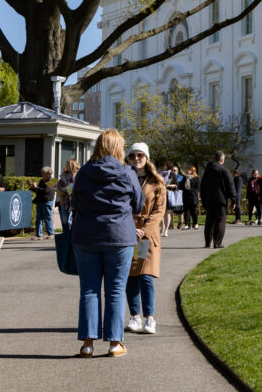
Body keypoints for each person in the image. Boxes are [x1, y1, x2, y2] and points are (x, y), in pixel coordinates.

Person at [71, 128, 144, 357]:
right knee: (115, 290)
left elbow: (74, 201)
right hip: (119, 236)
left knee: (89, 290)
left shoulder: (83, 172)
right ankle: (114, 343)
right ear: (117, 148)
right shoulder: (127, 172)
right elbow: (139, 204)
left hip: (87, 235)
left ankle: (88, 344)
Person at [124, 143, 166, 336]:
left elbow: (159, 211)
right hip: (127, 231)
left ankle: (150, 317)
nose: (136, 159)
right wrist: (131, 228)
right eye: (132, 156)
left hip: (147, 235)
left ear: (147, 158)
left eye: (140, 155)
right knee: (131, 275)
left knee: (146, 275)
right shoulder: (123, 178)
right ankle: (135, 315)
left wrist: (143, 229)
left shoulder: (157, 182)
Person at [199, 151, 233, 249]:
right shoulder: (224, 170)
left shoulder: (207, 170)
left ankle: (207, 242)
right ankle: (217, 242)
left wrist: (204, 199)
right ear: (222, 160)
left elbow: (203, 186)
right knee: (220, 221)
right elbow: (230, 185)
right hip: (221, 199)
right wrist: (233, 199)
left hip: (209, 200)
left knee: (209, 221)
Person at [30, 166, 57, 238]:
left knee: (47, 218)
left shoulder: (53, 180)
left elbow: (47, 191)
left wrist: (36, 187)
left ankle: (51, 233)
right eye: (41, 173)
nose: (42, 174)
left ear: (48, 173)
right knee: (38, 218)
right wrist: (33, 187)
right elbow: (38, 191)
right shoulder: (42, 181)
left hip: (47, 201)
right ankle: (39, 235)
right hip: (40, 201)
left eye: (43, 173)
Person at [56, 159, 80, 232]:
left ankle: (73, 237)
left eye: (67, 164)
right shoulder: (63, 175)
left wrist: (70, 189)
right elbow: (58, 187)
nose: (65, 166)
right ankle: (66, 238)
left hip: (75, 201)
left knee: (74, 221)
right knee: (65, 221)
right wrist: (64, 190)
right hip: (65, 201)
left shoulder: (80, 175)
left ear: (71, 165)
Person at [163, 163, 183, 234]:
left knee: (167, 213)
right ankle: (162, 228)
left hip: (169, 194)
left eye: (164, 165)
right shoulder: (160, 174)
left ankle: (166, 230)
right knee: (161, 213)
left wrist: (167, 185)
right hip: (161, 195)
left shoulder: (172, 174)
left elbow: (176, 185)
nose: (163, 166)